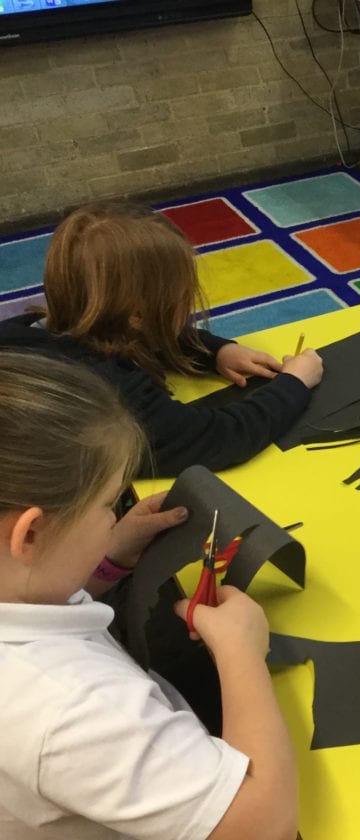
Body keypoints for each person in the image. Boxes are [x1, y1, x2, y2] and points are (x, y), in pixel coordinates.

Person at [0, 350, 297, 839]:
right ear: (30, 534)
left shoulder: (22, 594)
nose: (114, 517)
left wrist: (105, 560)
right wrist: (241, 652)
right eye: (108, 504)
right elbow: (263, 825)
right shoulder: (73, 710)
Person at [0, 202, 323, 478]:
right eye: (180, 296)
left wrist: (216, 352)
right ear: (137, 314)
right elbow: (221, 438)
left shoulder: (35, 330)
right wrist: (294, 384)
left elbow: (139, 334)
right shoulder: (108, 394)